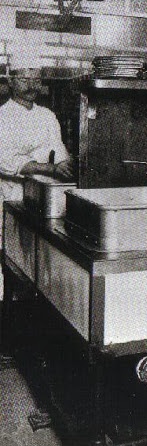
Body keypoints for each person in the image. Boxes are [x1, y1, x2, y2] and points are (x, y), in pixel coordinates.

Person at [0, 68, 74, 295]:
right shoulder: (3, 116)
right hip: (11, 197)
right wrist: (50, 168)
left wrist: (66, 164)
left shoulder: (47, 115)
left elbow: (58, 149)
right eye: (25, 79)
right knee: (13, 264)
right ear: (11, 82)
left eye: (36, 79)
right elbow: (5, 161)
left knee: (41, 266)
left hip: (44, 197)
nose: (31, 84)